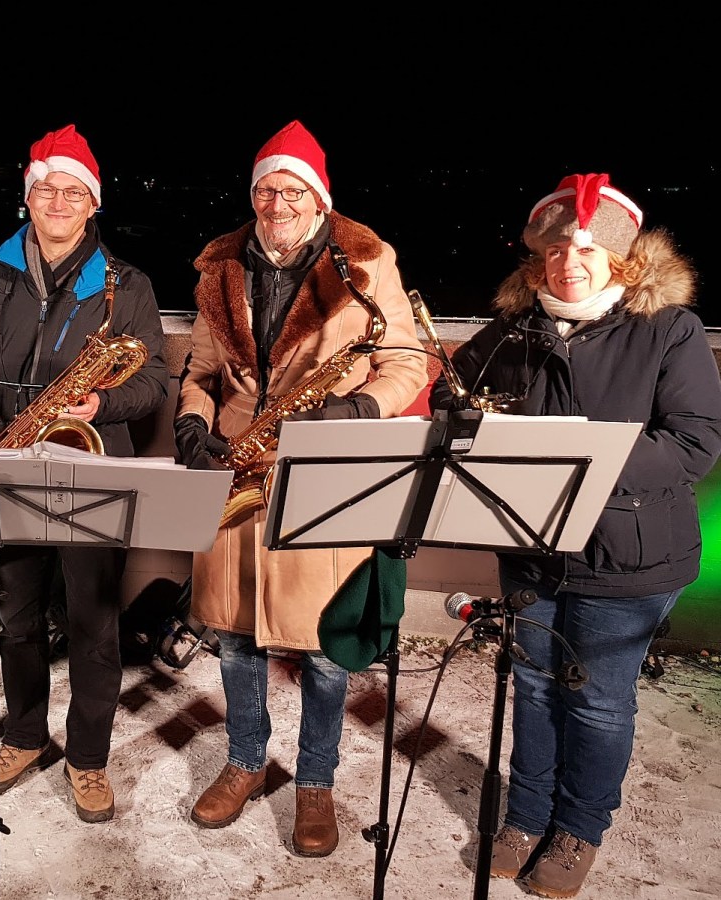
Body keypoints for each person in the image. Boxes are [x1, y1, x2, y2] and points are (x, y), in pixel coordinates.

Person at [429, 173, 721, 897]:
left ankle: (579, 828)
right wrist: (463, 419)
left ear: (620, 259)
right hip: (532, 546)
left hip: (627, 555)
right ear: (539, 259)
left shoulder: (668, 329)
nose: (569, 262)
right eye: (557, 249)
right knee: (532, 686)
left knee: (595, 699)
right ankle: (526, 817)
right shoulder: (514, 328)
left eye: (587, 249)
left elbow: (694, 443)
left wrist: (582, 456)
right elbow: (450, 392)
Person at [174, 120, 427, 857]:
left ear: (319, 199)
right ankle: (246, 761)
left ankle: (315, 781)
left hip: (327, 467)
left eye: (292, 189)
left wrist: (360, 409)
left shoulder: (366, 260)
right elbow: (197, 371)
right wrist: (194, 425)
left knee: (323, 643)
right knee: (234, 634)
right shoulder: (220, 263)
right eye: (265, 188)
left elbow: (406, 360)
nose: (276, 201)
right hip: (234, 467)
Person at [0, 124, 168, 823]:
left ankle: (89, 758)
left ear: (92, 203)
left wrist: (103, 401)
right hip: (8, 463)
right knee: (15, 618)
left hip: (91, 466)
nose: (60, 201)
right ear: (28, 196)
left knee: (95, 624)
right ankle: (25, 735)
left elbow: (155, 379)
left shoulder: (125, 284)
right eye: (48, 189)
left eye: (75, 192)